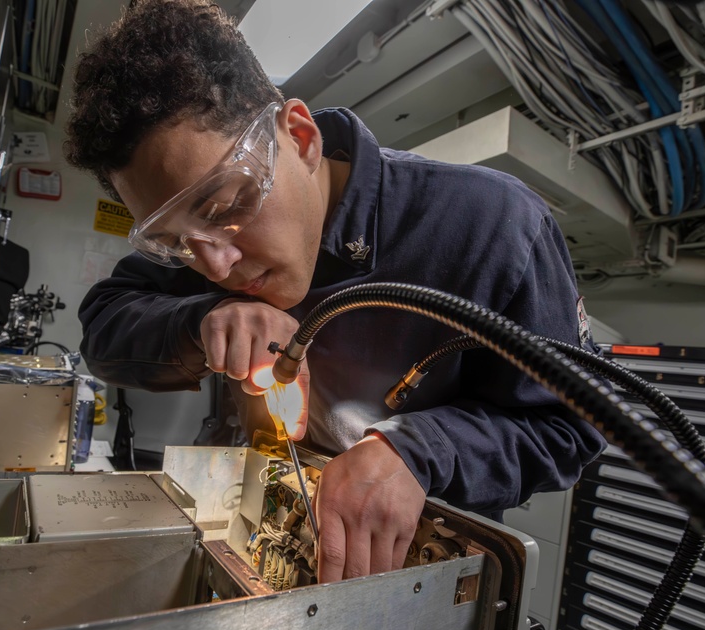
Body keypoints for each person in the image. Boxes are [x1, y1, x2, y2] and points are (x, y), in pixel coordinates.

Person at [65, 0, 607, 583]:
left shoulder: (492, 226)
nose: (216, 264)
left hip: (415, 564)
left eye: (224, 210)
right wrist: (203, 321)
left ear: (298, 138)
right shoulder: (206, 245)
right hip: (270, 525)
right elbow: (104, 327)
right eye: (176, 244)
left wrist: (418, 449)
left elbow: (569, 429)